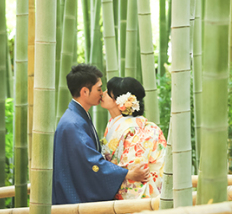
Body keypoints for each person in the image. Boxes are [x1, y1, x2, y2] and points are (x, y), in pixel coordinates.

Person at [52, 64, 151, 205]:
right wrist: (127, 174)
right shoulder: (73, 124)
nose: (102, 93)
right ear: (85, 92)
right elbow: (91, 163)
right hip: (72, 196)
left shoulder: (77, 117)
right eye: (99, 89)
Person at [100, 76, 167, 200]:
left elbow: (137, 172)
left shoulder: (139, 130)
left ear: (120, 101)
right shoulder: (112, 123)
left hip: (137, 193)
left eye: (108, 93)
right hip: (115, 185)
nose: (102, 94)